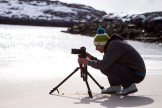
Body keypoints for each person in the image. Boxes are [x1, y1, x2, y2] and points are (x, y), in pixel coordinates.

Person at [78, 27, 146, 96]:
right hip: (133, 71)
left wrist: (87, 61)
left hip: (137, 74)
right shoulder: (113, 44)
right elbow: (104, 63)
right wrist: (90, 57)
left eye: (96, 46)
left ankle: (129, 86)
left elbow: (103, 65)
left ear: (101, 44)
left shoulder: (114, 46)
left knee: (105, 68)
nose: (96, 49)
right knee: (107, 65)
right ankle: (115, 87)